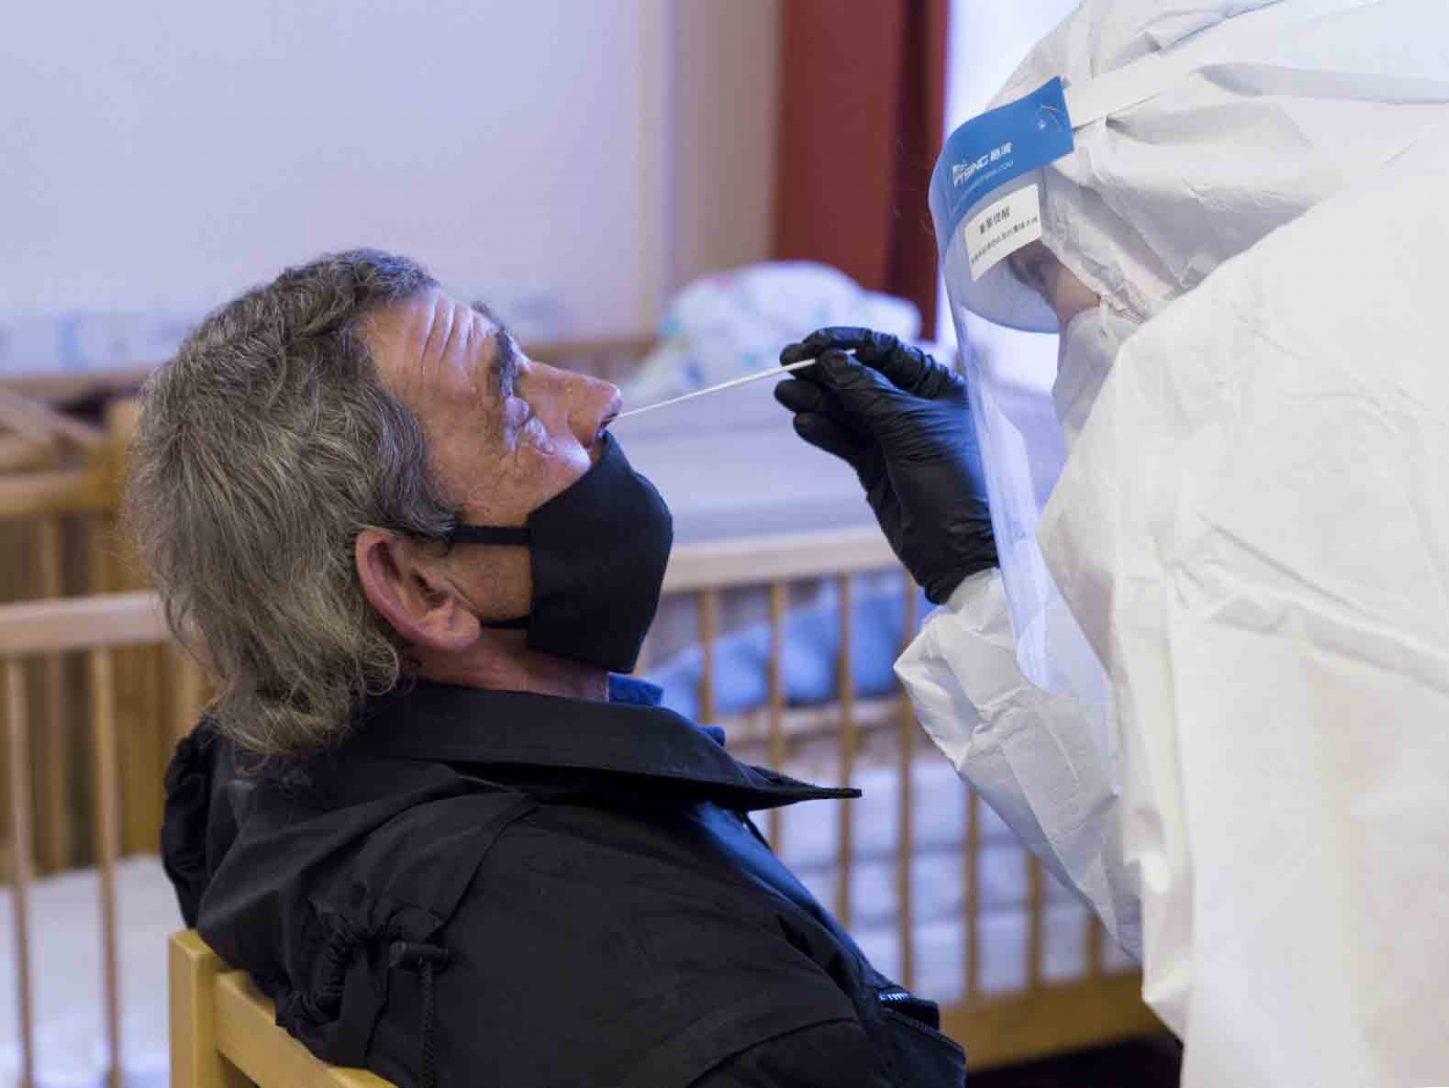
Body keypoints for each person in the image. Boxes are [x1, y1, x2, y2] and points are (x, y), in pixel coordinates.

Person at [775, 1, 1449, 1085]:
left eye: (1055, 286)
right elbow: (1245, 870)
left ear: (1175, 202)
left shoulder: (1232, 428)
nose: (1077, 342)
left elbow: (1283, 952)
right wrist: (986, 583)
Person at [135, 250, 964, 1088]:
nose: (601, 397)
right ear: (419, 586)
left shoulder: (245, 784)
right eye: (513, 409)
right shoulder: (697, 988)